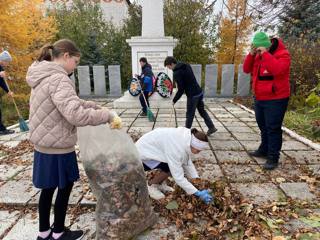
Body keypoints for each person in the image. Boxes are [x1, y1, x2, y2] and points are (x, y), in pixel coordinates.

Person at [26, 39, 122, 240]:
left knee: (47, 189)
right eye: (76, 62)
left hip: (44, 145)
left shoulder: (42, 74)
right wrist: (107, 116)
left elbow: (70, 103)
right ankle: (59, 233)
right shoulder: (59, 78)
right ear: (66, 56)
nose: (75, 67)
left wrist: (94, 107)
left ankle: (44, 234)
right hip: (59, 146)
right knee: (64, 188)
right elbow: (75, 115)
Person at [243, 32, 291, 170]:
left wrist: (265, 54)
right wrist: (251, 54)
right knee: (263, 126)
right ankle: (263, 149)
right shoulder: (257, 54)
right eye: (256, 49)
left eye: (259, 49)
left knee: (273, 128)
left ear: (267, 46)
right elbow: (246, 69)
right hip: (260, 97)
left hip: (276, 98)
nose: (258, 51)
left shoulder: (283, 54)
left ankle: (273, 157)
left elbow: (276, 70)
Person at [136, 127, 213, 204]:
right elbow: (178, 177)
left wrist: (197, 179)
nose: (199, 152)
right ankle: (151, 186)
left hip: (152, 150)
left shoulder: (186, 139)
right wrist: (196, 192)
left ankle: (157, 183)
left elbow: (186, 161)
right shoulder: (176, 149)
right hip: (141, 157)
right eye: (199, 150)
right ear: (194, 145)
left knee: (174, 165)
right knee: (172, 168)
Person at [164, 56, 217, 136]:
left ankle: (185, 133)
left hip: (192, 95)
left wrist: (174, 100)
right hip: (199, 92)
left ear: (171, 64)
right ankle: (211, 127)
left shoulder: (177, 73)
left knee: (189, 114)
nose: (169, 68)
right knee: (202, 111)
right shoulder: (186, 65)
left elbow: (181, 89)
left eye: (168, 67)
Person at [0, 50, 15, 135]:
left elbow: (1, 82)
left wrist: (8, 91)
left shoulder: (1, 68)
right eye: (7, 62)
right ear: (3, 60)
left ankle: (1, 129)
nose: (7, 64)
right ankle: (2, 129)